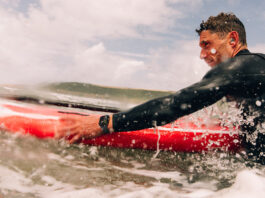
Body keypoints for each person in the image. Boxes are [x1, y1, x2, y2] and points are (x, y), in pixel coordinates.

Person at [57, 12, 265, 164]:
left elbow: (172, 106)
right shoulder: (254, 69)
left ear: (232, 39)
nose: (202, 55)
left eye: (206, 44)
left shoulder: (234, 69)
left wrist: (106, 123)